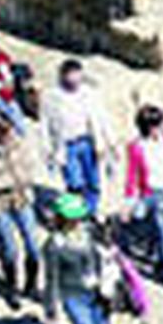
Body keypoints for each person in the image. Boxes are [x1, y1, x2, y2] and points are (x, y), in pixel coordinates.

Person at [0, 109, 41, 309]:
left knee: (33, 246)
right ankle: (11, 286)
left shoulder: (21, 144)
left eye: (7, 130)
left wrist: (6, 180)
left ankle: (31, 284)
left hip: (21, 199)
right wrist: (12, 180)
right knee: (10, 249)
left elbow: (30, 172)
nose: (5, 136)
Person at [43, 191, 108, 324]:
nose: (78, 221)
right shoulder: (54, 245)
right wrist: (50, 306)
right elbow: (51, 277)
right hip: (73, 297)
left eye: (80, 217)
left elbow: (101, 255)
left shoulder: (89, 232)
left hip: (97, 295)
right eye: (73, 218)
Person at [45, 59, 118, 218]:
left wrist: (111, 143)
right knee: (74, 183)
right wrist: (48, 152)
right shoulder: (51, 97)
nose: (76, 80)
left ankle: (90, 212)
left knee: (93, 181)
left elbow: (101, 117)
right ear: (63, 76)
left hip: (87, 141)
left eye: (78, 76)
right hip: (66, 145)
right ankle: (74, 214)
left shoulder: (89, 94)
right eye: (72, 76)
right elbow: (45, 126)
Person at [124, 104, 163, 288]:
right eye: (156, 125)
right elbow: (132, 175)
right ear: (147, 127)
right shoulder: (136, 147)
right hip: (154, 193)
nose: (161, 128)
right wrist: (128, 200)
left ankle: (155, 254)